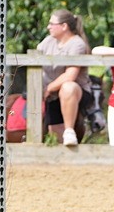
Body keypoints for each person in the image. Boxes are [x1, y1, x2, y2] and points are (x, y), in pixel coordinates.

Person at [37, 8, 93, 146]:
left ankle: (69, 131)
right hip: (51, 94)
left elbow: (70, 75)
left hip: (74, 93)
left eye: (52, 23)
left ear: (64, 26)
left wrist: (48, 88)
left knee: (68, 87)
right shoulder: (48, 41)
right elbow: (35, 58)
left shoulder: (77, 44)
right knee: (55, 138)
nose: (48, 27)